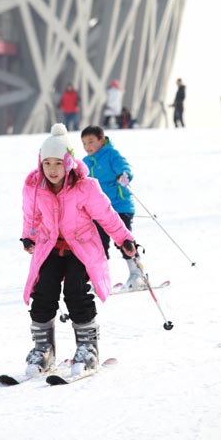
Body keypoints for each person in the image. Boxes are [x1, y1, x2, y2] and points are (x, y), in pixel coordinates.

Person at [20, 123, 136, 377]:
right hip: (49, 246)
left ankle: (87, 348)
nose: (52, 169)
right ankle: (43, 349)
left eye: (58, 163)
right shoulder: (35, 187)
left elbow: (107, 216)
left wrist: (123, 239)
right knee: (43, 292)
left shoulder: (85, 187)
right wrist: (28, 236)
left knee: (76, 291)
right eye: (47, 163)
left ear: (69, 162)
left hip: (80, 248)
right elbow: (31, 216)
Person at [81, 125, 144, 291]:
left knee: (123, 241)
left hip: (119, 205)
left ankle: (137, 274)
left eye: (91, 142)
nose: (88, 147)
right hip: (98, 211)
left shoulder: (111, 154)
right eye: (84, 144)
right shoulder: (86, 163)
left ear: (101, 140)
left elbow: (124, 167)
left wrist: (123, 175)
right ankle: (100, 279)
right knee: (99, 245)